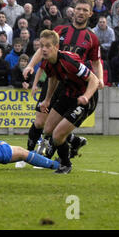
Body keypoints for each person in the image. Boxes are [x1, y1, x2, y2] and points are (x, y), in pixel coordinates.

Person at [22, 0, 103, 162]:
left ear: (90, 14)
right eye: (78, 9)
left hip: (71, 84)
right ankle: (31, 154)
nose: (80, 12)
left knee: (53, 128)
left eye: (84, 10)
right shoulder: (60, 30)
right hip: (53, 79)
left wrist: (100, 78)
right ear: (73, 10)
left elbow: (96, 62)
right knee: (40, 122)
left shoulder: (92, 38)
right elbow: (43, 48)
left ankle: (49, 156)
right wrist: (31, 65)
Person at [36, 29, 99, 174]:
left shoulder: (69, 61)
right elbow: (52, 79)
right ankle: (75, 141)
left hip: (85, 99)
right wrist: (47, 100)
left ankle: (65, 164)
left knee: (57, 135)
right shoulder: (47, 63)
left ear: (56, 47)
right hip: (68, 95)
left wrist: (86, 97)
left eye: (47, 46)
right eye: (41, 46)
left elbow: (94, 80)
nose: (44, 49)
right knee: (48, 130)